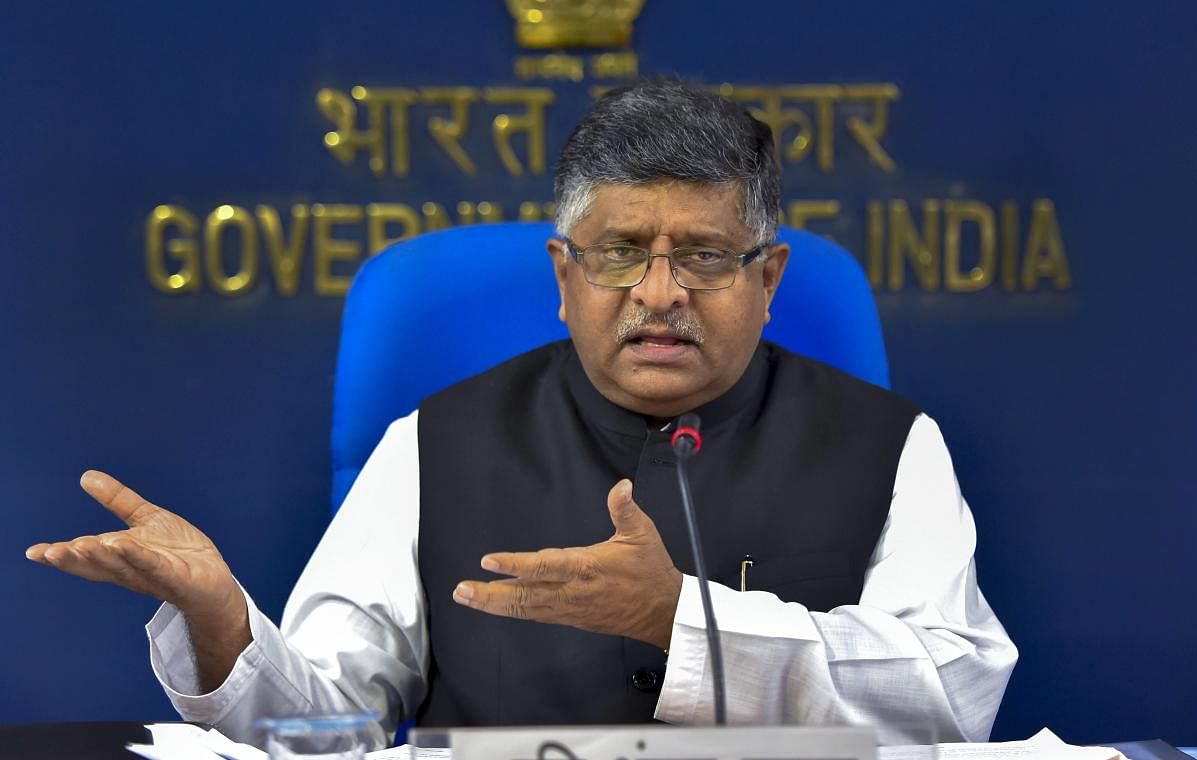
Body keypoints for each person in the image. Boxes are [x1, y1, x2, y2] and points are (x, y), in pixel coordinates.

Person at [25, 80, 1017, 749]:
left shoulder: (891, 444)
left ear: (769, 277)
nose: (661, 292)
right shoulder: (435, 443)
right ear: (563, 274)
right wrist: (222, 622)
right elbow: (326, 726)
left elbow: (954, 700)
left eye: (705, 256)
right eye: (621, 250)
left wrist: (680, 621)